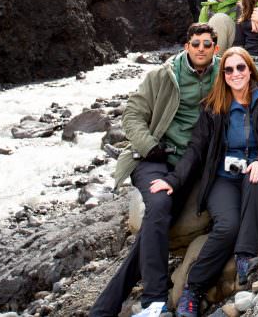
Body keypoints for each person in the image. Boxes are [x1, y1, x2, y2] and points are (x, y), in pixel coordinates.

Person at [89, 23, 220, 317]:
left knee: (154, 227)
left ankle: (102, 310)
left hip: (189, 164)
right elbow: (132, 114)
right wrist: (150, 146)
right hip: (154, 158)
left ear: (215, 48)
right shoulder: (163, 75)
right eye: (195, 44)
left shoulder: (223, 73)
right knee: (159, 205)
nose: (200, 49)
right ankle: (155, 299)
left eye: (206, 45)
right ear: (186, 46)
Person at [154, 47, 258, 317]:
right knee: (227, 225)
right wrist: (173, 179)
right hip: (225, 178)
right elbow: (195, 149)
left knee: (255, 181)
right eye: (229, 69)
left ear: (250, 69)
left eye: (241, 68)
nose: (235, 74)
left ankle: (244, 257)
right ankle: (191, 291)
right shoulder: (213, 107)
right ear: (223, 75)